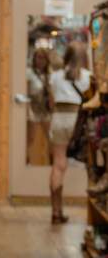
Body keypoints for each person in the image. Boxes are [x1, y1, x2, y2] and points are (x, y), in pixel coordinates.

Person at [48, 41, 91, 224]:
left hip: (58, 119)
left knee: (58, 165)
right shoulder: (88, 77)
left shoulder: (55, 76)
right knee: (91, 167)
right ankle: (93, 214)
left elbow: (51, 101)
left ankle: (56, 211)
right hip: (78, 121)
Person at [26, 48, 53, 164]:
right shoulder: (29, 73)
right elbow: (26, 92)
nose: (40, 61)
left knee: (50, 137)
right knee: (30, 138)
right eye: (38, 57)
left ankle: (51, 161)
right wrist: (27, 110)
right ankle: (27, 161)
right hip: (33, 108)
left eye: (43, 58)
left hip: (46, 110)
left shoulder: (49, 74)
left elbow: (52, 94)